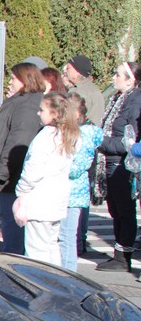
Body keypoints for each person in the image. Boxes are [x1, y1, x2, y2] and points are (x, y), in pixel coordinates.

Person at [0, 62, 46, 255]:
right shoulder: (19, 101)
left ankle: (14, 264)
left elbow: (18, 142)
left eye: (13, 78)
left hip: (12, 178)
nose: (9, 82)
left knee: (14, 226)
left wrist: (2, 171)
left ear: (25, 80)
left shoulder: (27, 105)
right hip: (10, 176)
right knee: (9, 222)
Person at [13, 93, 79, 265]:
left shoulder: (45, 137)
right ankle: (55, 282)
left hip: (40, 199)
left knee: (36, 250)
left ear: (55, 114)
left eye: (42, 110)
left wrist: (21, 190)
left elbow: (32, 170)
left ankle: (40, 283)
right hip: (57, 199)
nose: (38, 113)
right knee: (51, 245)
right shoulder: (67, 136)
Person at [94, 61, 141, 272]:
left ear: (130, 80)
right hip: (109, 161)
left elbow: (129, 140)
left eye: (118, 74)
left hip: (121, 163)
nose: (114, 78)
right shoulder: (117, 98)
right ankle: (119, 252)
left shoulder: (135, 100)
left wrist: (101, 142)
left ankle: (124, 256)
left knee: (125, 210)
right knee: (115, 209)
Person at [59, 92, 104, 271]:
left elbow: (78, 166)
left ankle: (69, 274)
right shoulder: (73, 132)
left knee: (67, 237)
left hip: (73, 193)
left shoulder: (83, 135)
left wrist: (57, 168)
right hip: (66, 191)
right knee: (63, 236)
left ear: (77, 114)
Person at [62, 55, 106, 127]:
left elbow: (95, 122)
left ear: (78, 72)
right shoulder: (73, 88)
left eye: (68, 68)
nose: (65, 71)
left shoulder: (92, 93)